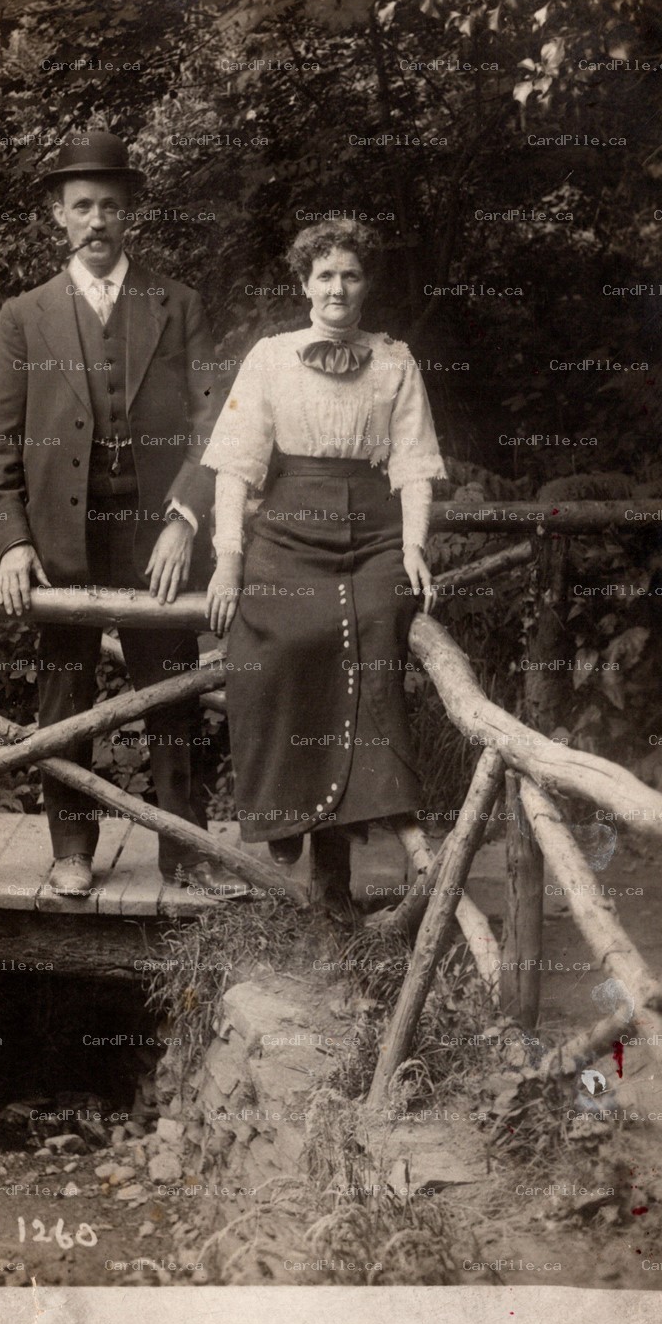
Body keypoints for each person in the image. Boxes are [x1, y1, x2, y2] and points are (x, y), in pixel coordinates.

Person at [0, 129, 249, 899]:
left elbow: (216, 426)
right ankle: (71, 848)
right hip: (61, 541)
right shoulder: (25, 316)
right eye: (81, 207)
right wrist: (12, 540)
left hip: (155, 537)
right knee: (64, 695)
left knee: (169, 691)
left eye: (109, 206)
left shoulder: (178, 304)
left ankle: (184, 850)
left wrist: (185, 518)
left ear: (128, 215)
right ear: (58, 217)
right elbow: (0, 444)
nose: (95, 220)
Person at [202, 219, 446, 906]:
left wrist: (413, 546)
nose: (337, 288)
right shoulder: (270, 358)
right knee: (281, 642)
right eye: (325, 275)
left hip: (372, 531)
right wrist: (227, 562)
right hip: (289, 531)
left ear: (365, 284)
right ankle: (288, 818)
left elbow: (414, 465)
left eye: (350, 275)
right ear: (304, 283)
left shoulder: (395, 362)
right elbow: (235, 468)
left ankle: (401, 831)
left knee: (374, 627)